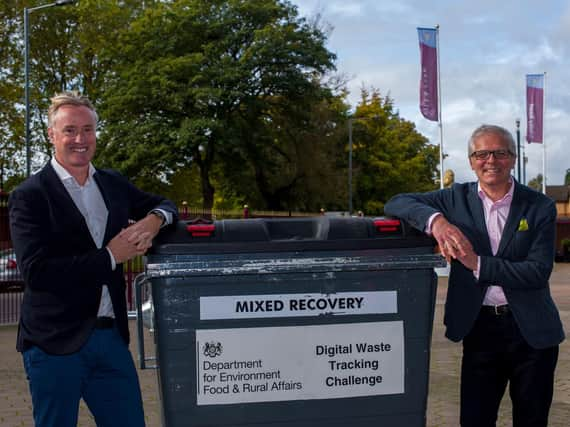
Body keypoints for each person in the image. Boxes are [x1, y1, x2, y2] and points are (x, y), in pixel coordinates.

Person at [9, 92, 179, 427]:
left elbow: (166, 204)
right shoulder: (29, 196)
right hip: (54, 343)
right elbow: (37, 272)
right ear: (52, 135)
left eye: (87, 130)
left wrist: (154, 219)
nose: (80, 139)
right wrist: (111, 257)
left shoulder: (112, 183)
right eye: (70, 130)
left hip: (111, 339)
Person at [385, 124, 564, 427]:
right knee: (475, 419)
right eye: (481, 154)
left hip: (533, 333)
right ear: (470, 161)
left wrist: (476, 263)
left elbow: (537, 272)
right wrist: (437, 222)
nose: (490, 160)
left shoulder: (539, 206)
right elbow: (397, 202)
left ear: (513, 158)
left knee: (532, 420)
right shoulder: (455, 199)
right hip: (480, 327)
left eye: (500, 153)